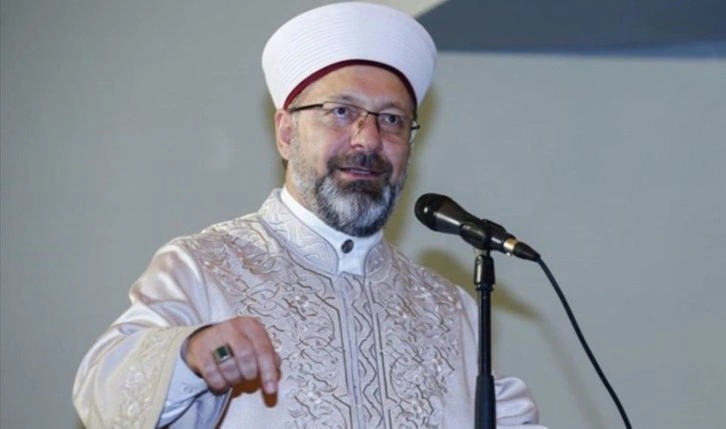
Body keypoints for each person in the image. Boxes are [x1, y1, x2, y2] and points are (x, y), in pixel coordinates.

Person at [73, 3, 546, 428]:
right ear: (286, 133)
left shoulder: (448, 309)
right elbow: (102, 396)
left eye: (392, 119)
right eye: (341, 111)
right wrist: (193, 353)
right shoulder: (203, 268)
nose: (368, 139)